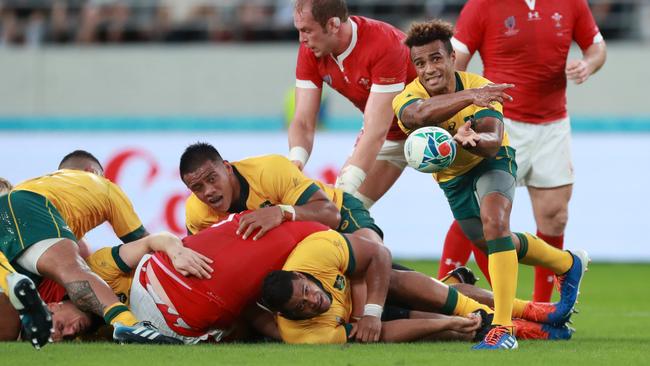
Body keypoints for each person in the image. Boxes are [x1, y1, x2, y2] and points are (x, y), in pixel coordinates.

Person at [391, 19, 589, 350]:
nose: (429, 69)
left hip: (490, 161)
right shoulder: (410, 97)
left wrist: (473, 140)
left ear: (452, 57)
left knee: (495, 223)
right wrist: (469, 99)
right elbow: (420, 116)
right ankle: (568, 264)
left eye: (436, 58)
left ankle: (502, 328)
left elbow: (494, 141)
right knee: (491, 242)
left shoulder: (483, 87)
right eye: (420, 63)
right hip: (453, 177)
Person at [439, 0, 607, 302]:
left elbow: (597, 48)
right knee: (478, 210)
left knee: (554, 216)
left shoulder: (571, 3)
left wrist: (587, 64)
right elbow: (455, 62)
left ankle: (543, 308)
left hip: (552, 125)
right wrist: (460, 113)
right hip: (501, 123)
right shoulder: (482, 6)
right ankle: (444, 290)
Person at [261, 229, 574, 344]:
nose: (312, 301)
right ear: (288, 316)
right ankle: (535, 329)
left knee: (427, 291)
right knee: (449, 326)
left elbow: (377, 251)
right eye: (301, 307)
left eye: (307, 292)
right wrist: (452, 323)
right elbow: (379, 334)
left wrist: (368, 309)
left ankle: (535, 311)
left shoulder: (315, 252)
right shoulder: (303, 335)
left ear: (302, 276)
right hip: (368, 315)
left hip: (373, 278)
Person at [0, 150, 181, 345]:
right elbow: (146, 243)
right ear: (92, 171)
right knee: (71, 268)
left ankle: (13, 285)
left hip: (10, 225)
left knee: (8, 331)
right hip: (24, 207)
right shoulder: (106, 187)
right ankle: (128, 324)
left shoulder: (41, 184)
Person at [287, 0, 417, 209]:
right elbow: (303, 120)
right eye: (299, 30)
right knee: (343, 215)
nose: (302, 39)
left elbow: (375, 131)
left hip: (435, 127)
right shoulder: (310, 50)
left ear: (333, 24)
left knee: (478, 220)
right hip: (392, 135)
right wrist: (295, 164)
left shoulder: (384, 43)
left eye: (307, 31)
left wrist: (346, 187)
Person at [181, 142, 382, 245]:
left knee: (374, 256)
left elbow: (330, 214)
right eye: (197, 188)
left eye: (212, 179)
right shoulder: (197, 213)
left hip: (337, 206)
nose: (208, 192)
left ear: (227, 167)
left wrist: (281, 212)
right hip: (303, 245)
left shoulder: (269, 170)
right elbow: (200, 258)